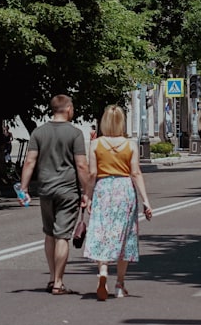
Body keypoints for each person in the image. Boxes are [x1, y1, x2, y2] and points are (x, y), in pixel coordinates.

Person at [17, 95, 89, 296]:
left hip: (46, 190)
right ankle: (58, 282)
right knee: (62, 236)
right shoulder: (75, 134)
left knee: (49, 234)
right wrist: (87, 192)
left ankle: (51, 277)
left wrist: (23, 188)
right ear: (67, 109)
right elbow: (82, 165)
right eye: (72, 107)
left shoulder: (39, 133)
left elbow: (30, 162)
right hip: (68, 191)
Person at [82, 105, 152, 301]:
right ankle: (120, 284)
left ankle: (103, 271)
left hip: (104, 189)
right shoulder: (130, 145)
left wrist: (87, 196)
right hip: (124, 190)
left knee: (102, 232)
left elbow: (93, 173)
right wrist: (146, 201)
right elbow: (136, 173)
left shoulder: (96, 144)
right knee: (125, 235)